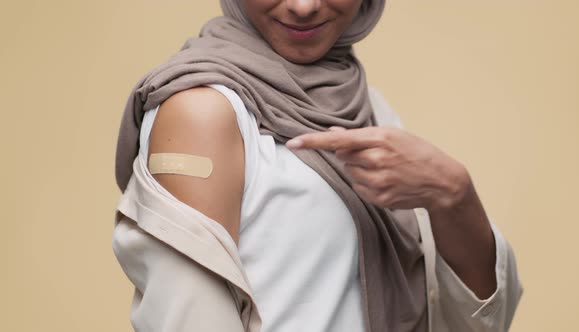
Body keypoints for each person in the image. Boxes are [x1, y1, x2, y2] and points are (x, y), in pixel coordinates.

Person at [112, 1, 523, 331]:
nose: (304, 6)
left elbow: (475, 320)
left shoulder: (364, 107)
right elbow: (186, 320)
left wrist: (455, 194)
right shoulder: (202, 113)